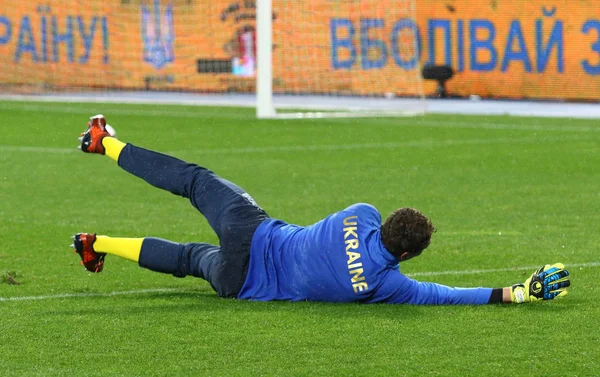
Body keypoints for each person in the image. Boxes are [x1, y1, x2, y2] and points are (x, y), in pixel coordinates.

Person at [70, 114, 571, 305]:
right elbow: (447, 294)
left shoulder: (361, 213)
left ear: (388, 219)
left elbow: (369, 224)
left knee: (194, 181)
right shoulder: (386, 285)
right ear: (408, 256)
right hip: (241, 284)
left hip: (252, 231)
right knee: (188, 258)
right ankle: (97, 246)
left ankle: (105, 144)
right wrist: (517, 294)